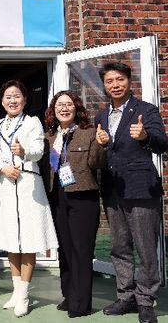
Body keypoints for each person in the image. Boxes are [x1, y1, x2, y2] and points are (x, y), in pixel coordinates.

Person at [94, 62, 168, 323]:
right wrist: (101, 145)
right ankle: (125, 296)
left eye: (120, 79)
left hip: (141, 188)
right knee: (119, 246)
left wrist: (145, 136)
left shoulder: (146, 110)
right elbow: (104, 152)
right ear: (104, 85)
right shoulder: (101, 116)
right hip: (112, 189)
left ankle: (146, 300)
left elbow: (162, 144)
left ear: (129, 81)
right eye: (110, 81)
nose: (115, 85)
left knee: (146, 247)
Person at [0, 80, 58, 317]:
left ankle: (24, 294)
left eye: (17, 96)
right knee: (11, 240)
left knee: (29, 239)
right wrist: (2, 168)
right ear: (2, 101)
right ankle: (16, 292)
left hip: (28, 185)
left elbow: (39, 150)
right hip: (5, 185)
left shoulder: (32, 122)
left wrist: (24, 153)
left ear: (25, 100)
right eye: (8, 96)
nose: (12, 100)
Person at [43, 90, 105, 318]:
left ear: (77, 108)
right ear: (54, 110)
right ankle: (69, 296)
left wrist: (100, 144)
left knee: (81, 249)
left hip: (83, 197)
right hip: (58, 196)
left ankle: (81, 303)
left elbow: (97, 163)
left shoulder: (89, 132)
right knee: (65, 248)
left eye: (69, 104)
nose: (64, 108)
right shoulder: (49, 136)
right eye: (59, 104)